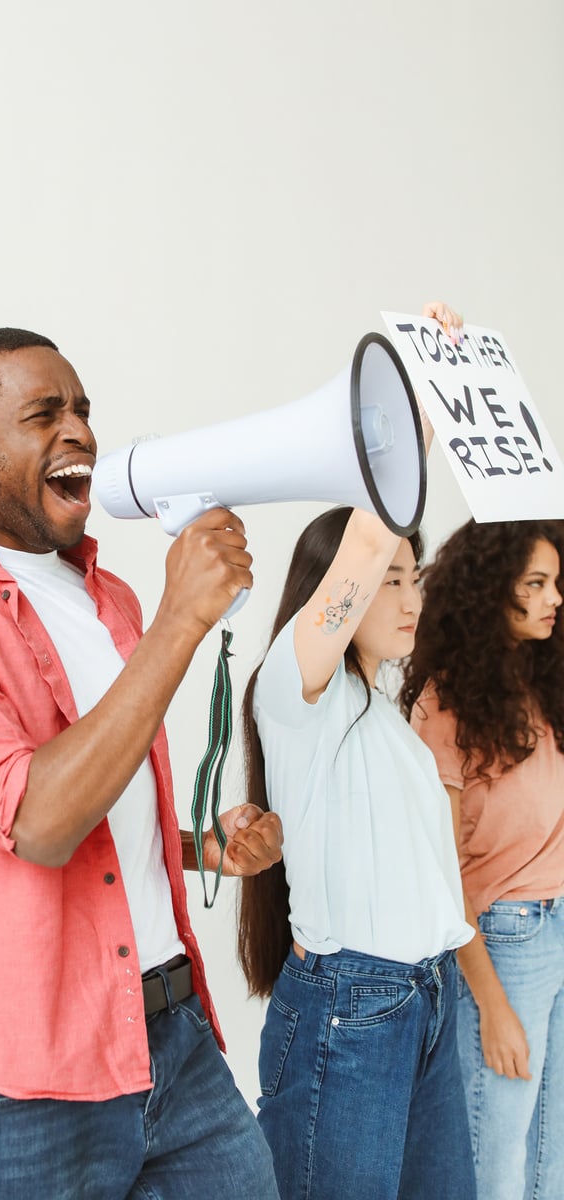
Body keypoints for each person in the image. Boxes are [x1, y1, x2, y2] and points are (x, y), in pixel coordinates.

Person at [0, 327, 283, 1200]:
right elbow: (37, 820)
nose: (79, 431)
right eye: (45, 414)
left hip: (172, 1038)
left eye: (82, 410)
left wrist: (197, 845)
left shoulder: (107, 595)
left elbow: (103, 804)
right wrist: (180, 623)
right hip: (18, 1081)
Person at [235, 299, 477, 1200]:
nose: (409, 597)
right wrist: (418, 400)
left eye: (415, 577)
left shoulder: (383, 708)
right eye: (390, 582)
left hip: (424, 998)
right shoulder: (296, 695)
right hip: (353, 1009)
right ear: (335, 594)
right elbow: (372, 534)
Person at [401, 518, 564, 1200]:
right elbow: (441, 874)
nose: (555, 598)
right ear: (490, 591)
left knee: (553, 1154)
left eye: (557, 582)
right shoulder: (444, 706)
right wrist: (492, 1006)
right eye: (536, 584)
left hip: (557, 923)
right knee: (495, 1153)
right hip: (505, 940)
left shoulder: (544, 687)